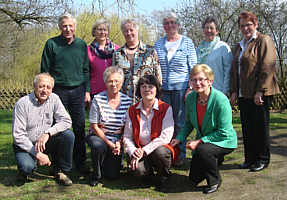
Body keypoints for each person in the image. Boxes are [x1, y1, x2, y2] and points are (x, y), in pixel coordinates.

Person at [171, 64, 237, 194]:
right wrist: (179, 138)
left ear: (210, 81)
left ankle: (215, 181)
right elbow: (189, 123)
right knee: (193, 178)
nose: (197, 83)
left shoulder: (221, 100)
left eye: (201, 79)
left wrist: (199, 141)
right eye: (194, 80)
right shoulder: (190, 98)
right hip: (205, 143)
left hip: (224, 140)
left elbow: (224, 131)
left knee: (203, 151)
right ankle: (215, 160)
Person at [230, 11, 280, 172]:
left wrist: (261, 90)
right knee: (247, 128)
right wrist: (234, 91)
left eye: (248, 24)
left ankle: (262, 159)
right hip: (244, 94)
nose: (245, 28)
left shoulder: (264, 40)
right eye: (242, 25)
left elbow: (268, 66)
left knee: (260, 128)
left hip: (259, 93)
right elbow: (234, 70)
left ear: (255, 24)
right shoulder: (239, 46)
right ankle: (250, 159)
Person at [41, 13, 90, 174]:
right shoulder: (51, 44)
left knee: (79, 127)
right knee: (57, 127)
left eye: (70, 25)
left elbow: (85, 70)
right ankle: (58, 163)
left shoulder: (82, 45)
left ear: (74, 27)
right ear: (60, 27)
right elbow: (45, 71)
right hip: (58, 91)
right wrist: (47, 91)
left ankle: (80, 162)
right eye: (64, 26)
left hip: (78, 91)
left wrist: (87, 90)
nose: (68, 29)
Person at [12, 73, 74, 186]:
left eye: (48, 87)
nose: (44, 90)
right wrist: (37, 154)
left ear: (52, 89)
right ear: (34, 86)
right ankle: (24, 170)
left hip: (44, 142)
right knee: (27, 167)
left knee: (68, 135)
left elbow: (66, 121)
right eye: (41, 86)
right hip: (26, 144)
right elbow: (18, 135)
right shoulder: (22, 104)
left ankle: (60, 171)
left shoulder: (54, 99)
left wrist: (48, 133)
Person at [154, 11, 197, 165]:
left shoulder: (187, 42)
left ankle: (180, 155)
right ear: (164, 26)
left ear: (178, 25)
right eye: (166, 23)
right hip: (163, 89)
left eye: (173, 22)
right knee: (165, 122)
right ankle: (166, 154)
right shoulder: (158, 44)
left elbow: (193, 67)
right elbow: (155, 66)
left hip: (181, 88)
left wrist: (190, 88)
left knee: (180, 122)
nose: (170, 25)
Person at [123, 74, 175, 192]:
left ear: (157, 89)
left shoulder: (166, 108)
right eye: (143, 86)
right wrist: (133, 151)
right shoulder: (132, 110)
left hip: (157, 149)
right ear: (139, 90)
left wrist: (144, 150)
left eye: (150, 86)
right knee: (139, 173)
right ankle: (149, 173)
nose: (147, 89)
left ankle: (164, 176)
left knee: (161, 152)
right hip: (139, 150)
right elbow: (127, 136)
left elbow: (165, 137)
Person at [86, 66, 132, 186]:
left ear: (122, 83)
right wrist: (110, 143)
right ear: (105, 82)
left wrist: (119, 143)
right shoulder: (97, 99)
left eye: (117, 81)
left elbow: (128, 127)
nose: (114, 84)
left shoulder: (128, 101)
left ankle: (106, 164)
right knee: (98, 146)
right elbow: (94, 126)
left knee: (112, 176)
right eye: (110, 81)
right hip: (99, 136)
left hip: (117, 139)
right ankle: (96, 175)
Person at [113, 19, 162, 104]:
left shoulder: (150, 51)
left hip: (147, 100)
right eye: (125, 31)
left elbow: (158, 77)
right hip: (124, 100)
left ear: (137, 30)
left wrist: (158, 97)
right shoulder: (117, 54)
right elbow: (114, 78)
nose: (129, 33)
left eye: (131, 30)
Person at [196, 17, 232, 96]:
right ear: (203, 30)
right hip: (202, 91)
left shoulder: (223, 47)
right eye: (206, 28)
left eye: (211, 28)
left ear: (217, 31)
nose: (209, 30)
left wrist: (225, 92)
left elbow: (228, 71)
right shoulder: (199, 49)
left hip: (218, 92)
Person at [88, 19, 120, 99]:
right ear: (94, 32)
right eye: (99, 29)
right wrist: (87, 92)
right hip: (95, 91)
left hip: (113, 90)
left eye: (105, 30)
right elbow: (85, 73)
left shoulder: (117, 49)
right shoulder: (87, 50)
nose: (102, 32)